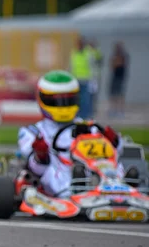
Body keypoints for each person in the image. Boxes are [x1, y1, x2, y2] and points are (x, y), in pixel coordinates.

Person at [17, 70, 125, 198]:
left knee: (118, 160)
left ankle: (120, 185)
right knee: (51, 168)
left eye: (67, 100)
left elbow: (116, 152)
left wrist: (113, 141)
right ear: (42, 99)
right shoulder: (32, 132)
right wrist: (41, 155)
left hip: (93, 167)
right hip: (59, 172)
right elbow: (36, 169)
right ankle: (72, 191)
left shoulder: (88, 126)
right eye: (55, 101)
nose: (62, 106)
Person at [69, 38, 93, 120]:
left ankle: (85, 116)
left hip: (85, 79)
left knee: (85, 99)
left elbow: (91, 66)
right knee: (77, 99)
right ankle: (77, 115)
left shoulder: (88, 53)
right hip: (76, 79)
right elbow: (72, 66)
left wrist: (92, 78)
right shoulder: (74, 53)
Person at [109, 41, 128, 118]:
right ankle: (113, 110)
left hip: (121, 77)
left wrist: (116, 61)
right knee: (113, 95)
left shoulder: (124, 55)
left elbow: (120, 63)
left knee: (120, 95)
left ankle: (120, 111)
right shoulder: (114, 55)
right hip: (114, 76)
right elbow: (112, 65)